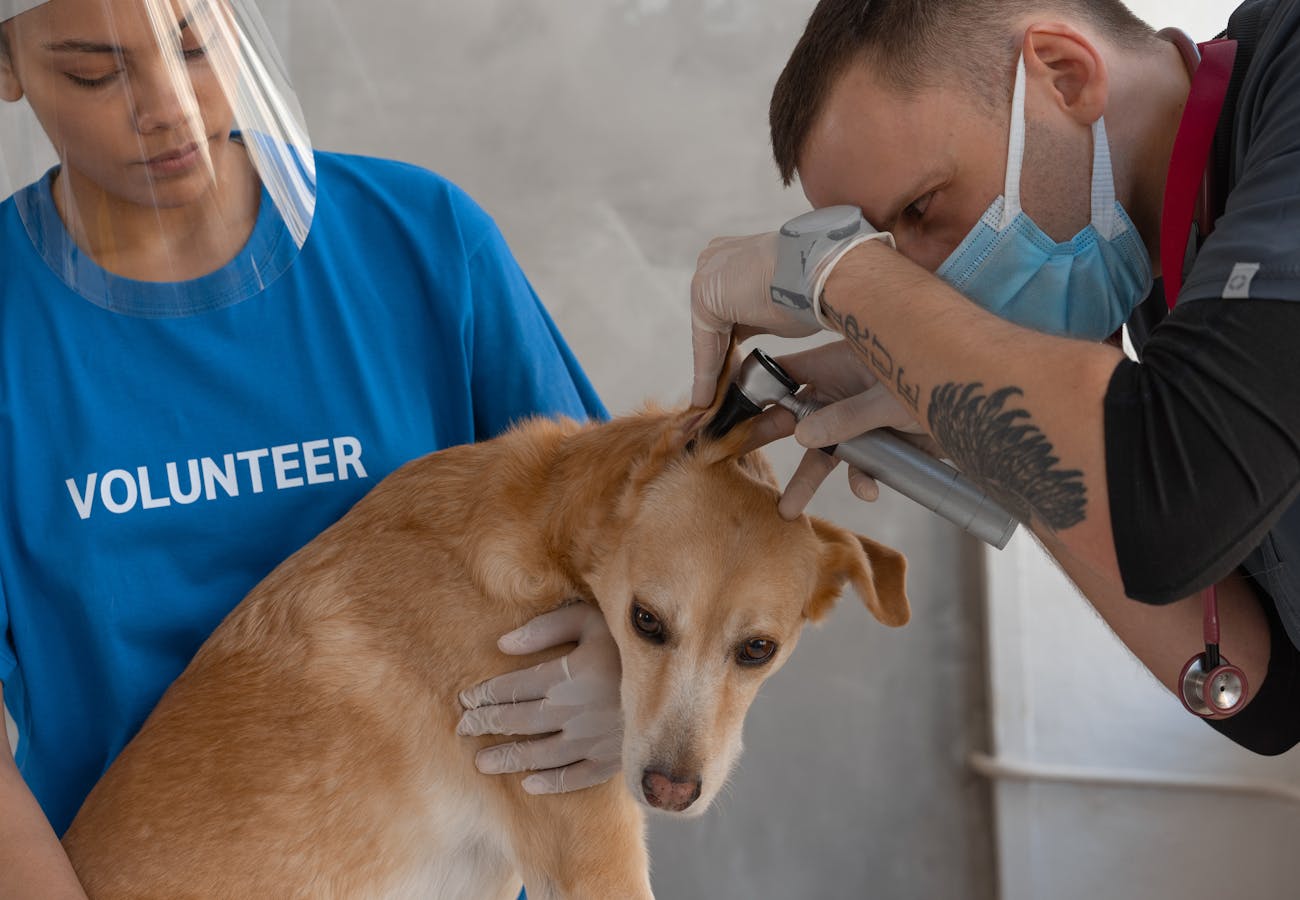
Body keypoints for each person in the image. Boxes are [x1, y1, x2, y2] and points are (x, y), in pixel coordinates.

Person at [0, 0, 619, 894]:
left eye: (194, 44)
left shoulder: (423, 242)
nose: (169, 107)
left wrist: (625, 661)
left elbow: (623, 529)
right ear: (8, 66)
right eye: (96, 73)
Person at [688, 0, 1300, 755]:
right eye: (886, 246)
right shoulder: (1167, 278)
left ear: (1065, 76)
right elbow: (1262, 693)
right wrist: (978, 429)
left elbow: (1170, 505)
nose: (923, 283)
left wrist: (828, 271)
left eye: (920, 208)